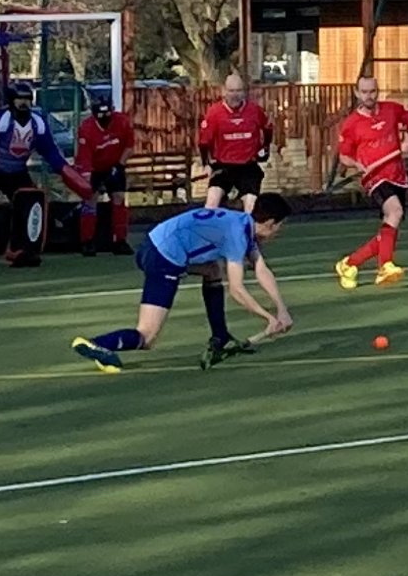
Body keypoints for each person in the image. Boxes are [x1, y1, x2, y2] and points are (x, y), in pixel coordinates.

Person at [72, 192, 295, 373]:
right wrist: (268, 317)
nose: (279, 231)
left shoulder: (242, 223)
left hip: (158, 245)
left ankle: (220, 336)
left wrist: (282, 310)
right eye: (280, 226)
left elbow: (261, 269)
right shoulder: (237, 235)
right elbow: (236, 290)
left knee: (213, 270)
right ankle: (98, 344)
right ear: (270, 223)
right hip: (163, 256)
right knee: (147, 336)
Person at [0, 81, 93, 265]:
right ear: (11, 100)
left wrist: (69, 174)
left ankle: (20, 249)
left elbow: (51, 153)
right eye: (19, 99)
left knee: (30, 204)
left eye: (27, 99)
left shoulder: (38, 124)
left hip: (17, 171)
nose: (24, 103)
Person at [333, 76, 408, 290]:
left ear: (377, 91)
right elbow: (344, 156)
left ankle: (350, 263)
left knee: (389, 227)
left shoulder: (391, 109)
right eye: (364, 92)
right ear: (357, 94)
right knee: (395, 212)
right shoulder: (351, 124)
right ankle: (385, 266)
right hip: (375, 178)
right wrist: (357, 164)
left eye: (372, 91)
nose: (368, 96)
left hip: (397, 174)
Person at [199, 73, 273, 213]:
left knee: (251, 205)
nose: (235, 95)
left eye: (238, 91)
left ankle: (247, 233)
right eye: (231, 91)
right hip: (223, 165)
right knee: (211, 204)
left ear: (244, 92)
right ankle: (209, 232)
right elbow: (203, 142)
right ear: (224, 91)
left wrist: (265, 148)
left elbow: (268, 128)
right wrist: (206, 164)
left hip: (247, 166)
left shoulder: (254, 111)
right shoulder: (215, 113)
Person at [75, 101, 136, 256]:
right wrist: (88, 179)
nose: (105, 120)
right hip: (94, 169)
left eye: (108, 116)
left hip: (116, 164)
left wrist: (120, 165)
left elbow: (129, 147)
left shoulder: (122, 122)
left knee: (119, 198)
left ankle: (120, 241)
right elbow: (84, 157)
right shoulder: (86, 128)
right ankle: (87, 242)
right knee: (90, 201)